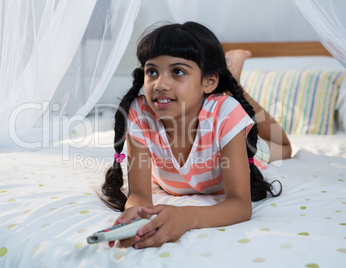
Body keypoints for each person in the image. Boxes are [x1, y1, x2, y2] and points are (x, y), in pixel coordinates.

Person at [101, 21, 291, 249]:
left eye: (177, 71)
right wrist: (135, 215)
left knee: (284, 147)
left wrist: (187, 217)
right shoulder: (139, 112)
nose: (160, 84)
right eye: (152, 72)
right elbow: (140, 195)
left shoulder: (225, 112)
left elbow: (240, 205)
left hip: (229, 133)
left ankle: (235, 84)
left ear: (209, 81)